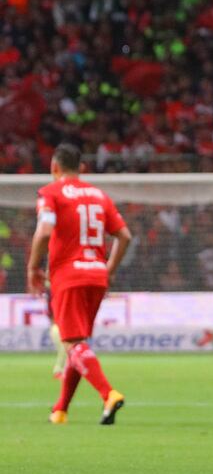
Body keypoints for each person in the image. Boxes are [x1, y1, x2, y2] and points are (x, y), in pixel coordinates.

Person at [26, 144, 132, 425]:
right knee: (77, 343)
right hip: (96, 275)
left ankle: (108, 394)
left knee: (72, 342)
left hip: (69, 276)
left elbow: (45, 230)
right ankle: (60, 410)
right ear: (82, 168)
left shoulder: (50, 193)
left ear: (54, 168)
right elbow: (125, 236)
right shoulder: (100, 196)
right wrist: (107, 269)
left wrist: (33, 267)